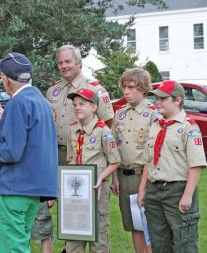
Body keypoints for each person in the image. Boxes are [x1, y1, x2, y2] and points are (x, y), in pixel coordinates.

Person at [0, 52, 58, 253]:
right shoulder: (40, 101)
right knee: (20, 246)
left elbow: (11, 152)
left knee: (13, 249)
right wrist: (6, 122)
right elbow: (31, 144)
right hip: (32, 190)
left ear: (6, 79)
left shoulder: (18, 103)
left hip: (13, 189)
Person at [34, 44, 115, 252]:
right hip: (58, 157)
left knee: (93, 216)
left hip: (89, 160)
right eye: (60, 62)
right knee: (69, 212)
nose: (64, 66)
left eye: (68, 61)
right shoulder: (53, 90)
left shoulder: (94, 89)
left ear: (79, 63)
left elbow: (108, 125)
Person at [138, 81, 207, 253]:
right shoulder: (156, 125)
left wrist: (187, 195)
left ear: (177, 101)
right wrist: (142, 189)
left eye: (162, 98)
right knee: (159, 242)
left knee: (185, 242)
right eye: (156, 98)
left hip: (177, 190)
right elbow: (149, 159)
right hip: (154, 191)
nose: (157, 102)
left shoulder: (188, 126)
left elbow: (196, 164)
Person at [66, 88, 120, 253]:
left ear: (94, 107)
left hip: (97, 189)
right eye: (75, 104)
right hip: (76, 190)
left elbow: (115, 161)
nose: (77, 107)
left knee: (98, 235)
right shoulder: (72, 130)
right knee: (74, 236)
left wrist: (100, 178)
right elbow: (70, 159)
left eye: (82, 104)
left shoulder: (103, 131)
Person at [112, 68, 156, 253]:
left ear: (143, 88)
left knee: (149, 225)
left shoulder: (153, 114)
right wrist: (114, 177)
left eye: (131, 88)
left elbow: (153, 152)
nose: (126, 92)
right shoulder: (120, 113)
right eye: (124, 87)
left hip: (144, 176)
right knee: (133, 224)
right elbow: (113, 148)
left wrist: (143, 186)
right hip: (124, 176)